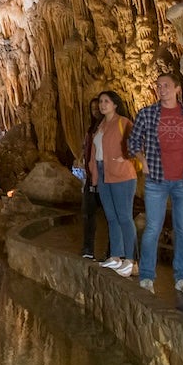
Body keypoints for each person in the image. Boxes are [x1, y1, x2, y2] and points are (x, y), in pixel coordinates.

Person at [129, 71, 183, 295]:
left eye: (165, 85)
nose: (161, 89)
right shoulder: (147, 114)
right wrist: (142, 159)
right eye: (158, 85)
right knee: (153, 228)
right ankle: (146, 276)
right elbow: (133, 141)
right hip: (156, 180)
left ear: (177, 89)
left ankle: (182, 277)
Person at [88, 91, 137, 276]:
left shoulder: (123, 122)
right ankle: (116, 256)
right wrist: (94, 175)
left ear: (115, 104)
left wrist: (123, 158)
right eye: (100, 101)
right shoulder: (101, 125)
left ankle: (130, 260)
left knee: (124, 216)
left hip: (122, 174)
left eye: (106, 101)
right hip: (103, 174)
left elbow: (137, 144)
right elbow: (95, 151)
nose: (102, 105)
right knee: (111, 217)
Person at [78, 97, 104, 260]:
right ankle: (88, 248)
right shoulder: (91, 128)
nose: (95, 110)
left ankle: (115, 252)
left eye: (98, 107)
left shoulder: (109, 126)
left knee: (111, 216)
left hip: (105, 176)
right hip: (90, 175)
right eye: (93, 108)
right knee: (87, 212)